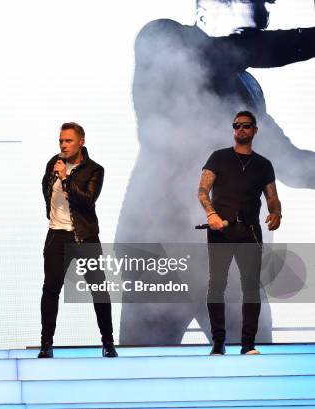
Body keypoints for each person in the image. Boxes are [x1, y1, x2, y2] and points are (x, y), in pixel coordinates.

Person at [117, 0, 314, 345]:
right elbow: (250, 49)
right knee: (145, 378)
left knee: (253, 376)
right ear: (204, 9)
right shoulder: (162, 38)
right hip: (161, 252)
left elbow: (289, 163)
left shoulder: (246, 87)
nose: (264, 11)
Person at [198, 110, 281, 355]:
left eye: (246, 126)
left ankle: (248, 345)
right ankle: (218, 343)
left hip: (250, 232)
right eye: (236, 126)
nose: (240, 129)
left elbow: (273, 198)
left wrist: (276, 213)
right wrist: (211, 214)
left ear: (254, 130)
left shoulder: (264, 164)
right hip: (220, 230)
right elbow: (202, 190)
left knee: (252, 287)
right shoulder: (218, 157)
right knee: (216, 285)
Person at [38, 122, 117, 358]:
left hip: (84, 236)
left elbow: (87, 200)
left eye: (68, 140)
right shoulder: (53, 163)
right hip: (57, 235)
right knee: (50, 290)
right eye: (61, 140)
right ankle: (46, 344)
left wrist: (66, 179)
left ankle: (108, 342)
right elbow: (45, 189)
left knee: (99, 290)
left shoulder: (94, 170)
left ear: (81, 141)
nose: (63, 145)